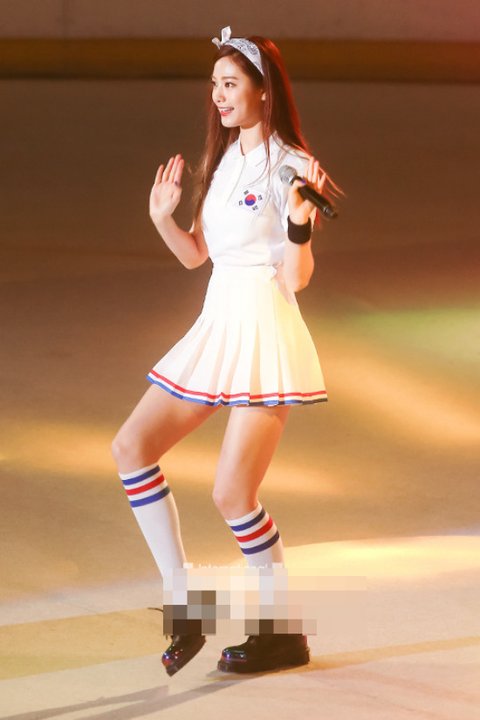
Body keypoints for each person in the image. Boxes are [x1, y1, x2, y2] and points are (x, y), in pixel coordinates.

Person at [111, 25, 342, 676]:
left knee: (233, 494)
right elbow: (197, 255)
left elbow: (296, 277)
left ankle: (282, 633)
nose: (218, 94)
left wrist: (299, 223)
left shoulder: (292, 165)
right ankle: (184, 602)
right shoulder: (219, 162)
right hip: (217, 327)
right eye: (214, 83)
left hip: (265, 332)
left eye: (231, 83)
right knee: (131, 448)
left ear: (264, 91)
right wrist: (162, 218)